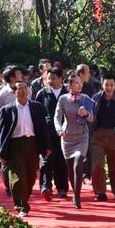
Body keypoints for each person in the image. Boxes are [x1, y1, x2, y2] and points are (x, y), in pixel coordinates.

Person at [0, 81, 51, 218]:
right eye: (19, 88)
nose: (22, 91)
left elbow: (44, 128)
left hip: (32, 144)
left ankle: (24, 199)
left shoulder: (37, 107)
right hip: (15, 146)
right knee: (18, 177)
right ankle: (22, 206)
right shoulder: (7, 110)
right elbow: (2, 134)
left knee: (31, 176)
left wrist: (47, 146)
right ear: (14, 92)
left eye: (24, 88)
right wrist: (2, 152)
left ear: (28, 90)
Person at [53, 72, 94, 208]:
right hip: (67, 136)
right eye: (76, 83)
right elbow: (57, 117)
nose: (79, 85)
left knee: (78, 163)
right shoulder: (63, 99)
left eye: (80, 83)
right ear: (70, 85)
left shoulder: (85, 98)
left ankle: (77, 196)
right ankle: (74, 191)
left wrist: (86, 113)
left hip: (82, 136)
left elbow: (92, 118)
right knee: (70, 169)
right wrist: (59, 129)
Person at [34, 66, 69, 199]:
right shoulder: (42, 93)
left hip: (64, 132)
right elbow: (36, 112)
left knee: (61, 160)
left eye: (53, 78)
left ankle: (62, 187)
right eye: (48, 78)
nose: (50, 81)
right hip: (47, 132)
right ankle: (45, 186)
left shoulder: (67, 92)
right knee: (46, 159)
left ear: (61, 78)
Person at [90, 72, 115, 201]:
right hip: (98, 134)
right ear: (102, 85)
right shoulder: (96, 98)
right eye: (106, 85)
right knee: (97, 164)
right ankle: (100, 192)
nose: (108, 87)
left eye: (111, 85)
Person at [0, 65, 26, 195]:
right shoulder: (2, 93)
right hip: (7, 130)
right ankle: (8, 185)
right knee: (7, 157)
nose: (21, 76)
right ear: (12, 78)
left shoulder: (25, 89)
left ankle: (21, 182)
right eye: (18, 74)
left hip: (23, 129)